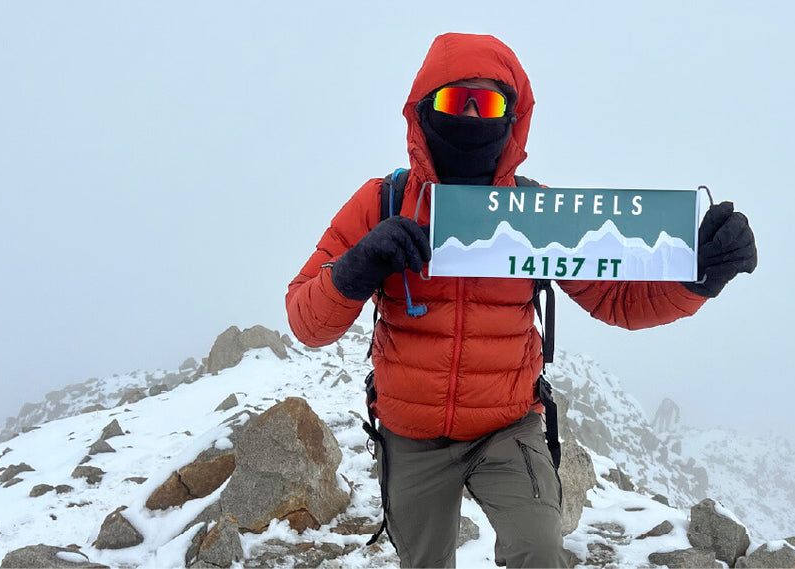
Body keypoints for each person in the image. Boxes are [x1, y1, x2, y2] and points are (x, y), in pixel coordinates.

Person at [285, 33, 756, 569]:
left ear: (513, 117)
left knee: (539, 552)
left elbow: (617, 300)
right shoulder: (382, 203)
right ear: (422, 111)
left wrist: (698, 278)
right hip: (410, 433)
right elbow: (307, 321)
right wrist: (354, 269)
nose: (469, 115)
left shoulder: (537, 213)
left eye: (485, 103)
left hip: (506, 426)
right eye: (452, 100)